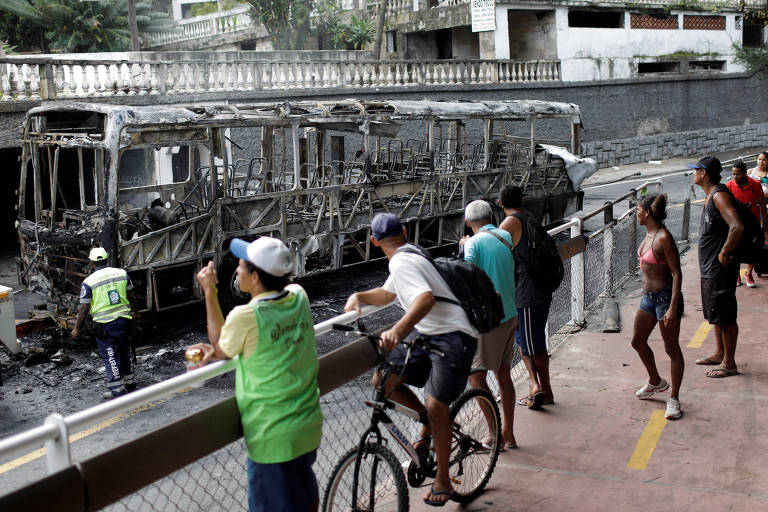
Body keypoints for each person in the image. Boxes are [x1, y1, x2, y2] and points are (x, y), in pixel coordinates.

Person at [345, 213, 477, 507]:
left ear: (373, 241)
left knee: (437, 405)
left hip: (452, 335)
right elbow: (387, 294)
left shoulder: (403, 262)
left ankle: (443, 479)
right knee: (383, 380)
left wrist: (397, 331)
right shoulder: (410, 254)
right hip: (430, 332)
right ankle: (428, 422)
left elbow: (425, 298)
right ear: (404, 231)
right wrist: (360, 295)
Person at [187, 237, 323, 512]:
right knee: (306, 500)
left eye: (241, 266)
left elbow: (220, 346)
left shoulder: (246, 316)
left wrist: (210, 292)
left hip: (272, 437)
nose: (237, 270)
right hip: (307, 426)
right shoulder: (298, 296)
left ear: (256, 277)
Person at [460, 200, 519, 449]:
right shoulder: (504, 237)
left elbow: (466, 274)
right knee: (503, 375)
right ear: (492, 217)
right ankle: (508, 433)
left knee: (476, 378)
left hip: (489, 321)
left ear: (467, 222)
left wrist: (464, 247)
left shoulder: (473, 243)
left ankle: (495, 436)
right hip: (510, 313)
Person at [498, 185, 554, 409]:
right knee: (526, 341)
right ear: (521, 201)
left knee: (533, 344)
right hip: (539, 288)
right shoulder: (530, 217)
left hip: (528, 292)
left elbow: (493, 243)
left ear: (500, 203)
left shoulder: (511, 222)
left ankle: (543, 390)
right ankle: (538, 387)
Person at [630, 194, 685, 419]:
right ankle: (655, 381)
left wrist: (672, 307)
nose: (636, 213)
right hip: (648, 298)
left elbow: (676, 273)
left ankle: (674, 399)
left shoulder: (664, 238)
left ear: (648, 212)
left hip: (665, 299)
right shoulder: (649, 234)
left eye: (638, 210)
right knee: (637, 342)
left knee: (671, 349)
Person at [691, 156, 744, 378]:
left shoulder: (719, 196)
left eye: (696, 170)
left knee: (726, 314)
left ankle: (729, 363)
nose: (693, 174)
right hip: (710, 268)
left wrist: (723, 252)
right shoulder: (711, 195)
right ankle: (720, 353)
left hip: (719, 268)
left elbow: (737, 226)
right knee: (716, 313)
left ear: (704, 173)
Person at [71, 247, 137, 399]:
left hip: (105, 325)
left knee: (111, 356)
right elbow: (131, 295)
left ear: (92, 263)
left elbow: (83, 308)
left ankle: (117, 390)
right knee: (125, 351)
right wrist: (136, 312)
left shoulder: (88, 282)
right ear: (107, 260)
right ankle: (130, 383)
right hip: (124, 321)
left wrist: (77, 328)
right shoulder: (122, 273)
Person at [726, 160, 768, 288]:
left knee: (753, 250)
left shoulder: (755, 185)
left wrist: (765, 221)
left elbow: (762, 204)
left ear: (745, 173)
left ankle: (748, 274)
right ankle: (737, 275)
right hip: (736, 225)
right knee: (735, 250)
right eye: (733, 174)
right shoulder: (728, 186)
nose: (735, 177)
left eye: (738, 174)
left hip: (753, 223)